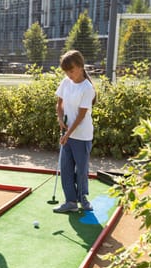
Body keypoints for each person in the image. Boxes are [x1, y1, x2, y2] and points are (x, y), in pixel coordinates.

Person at [52, 50, 96, 213]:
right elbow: (59, 104)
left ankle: (83, 198)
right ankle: (70, 201)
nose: (69, 75)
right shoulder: (66, 82)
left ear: (80, 67)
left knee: (81, 169)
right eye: (66, 72)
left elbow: (81, 115)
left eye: (71, 70)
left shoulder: (87, 88)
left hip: (82, 135)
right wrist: (60, 118)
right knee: (66, 169)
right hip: (67, 132)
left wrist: (68, 134)